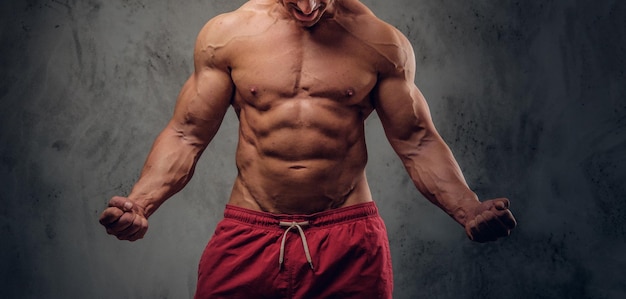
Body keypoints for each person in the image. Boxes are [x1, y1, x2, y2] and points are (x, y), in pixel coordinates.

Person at [99, 0, 517, 298]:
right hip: (249, 233)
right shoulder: (227, 36)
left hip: (349, 241)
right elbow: (187, 134)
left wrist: (468, 208)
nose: (307, 4)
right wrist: (141, 203)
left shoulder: (381, 43)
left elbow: (417, 141)